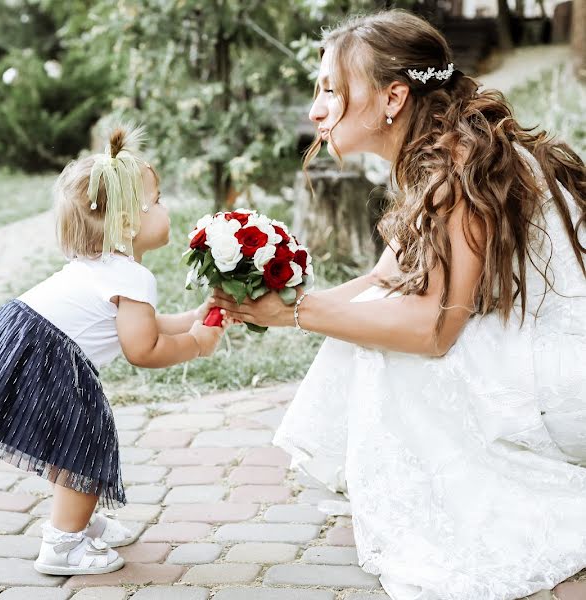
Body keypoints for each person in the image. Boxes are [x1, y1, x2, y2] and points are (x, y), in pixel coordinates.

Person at [211, 10, 586, 600]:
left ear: (393, 96)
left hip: (563, 380)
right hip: (537, 350)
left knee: (389, 348)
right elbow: (378, 280)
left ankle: (449, 499)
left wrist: (296, 315)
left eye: (331, 89)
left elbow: (434, 330)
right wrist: (276, 301)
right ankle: (404, 483)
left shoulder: (460, 163)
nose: (316, 109)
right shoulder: (436, 152)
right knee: (373, 316)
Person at [0, 126, 228, 576]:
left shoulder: (108, 268)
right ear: (128, 221)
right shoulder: (131, 278)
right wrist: (197, 344)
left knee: (72, 445)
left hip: (26, 339)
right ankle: (63, 544)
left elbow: (146, 325)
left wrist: (195, 316)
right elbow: (143, 349)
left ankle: (78, 519)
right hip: (48, 356)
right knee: (84, 445)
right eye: (158, 201)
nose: (167, 209)